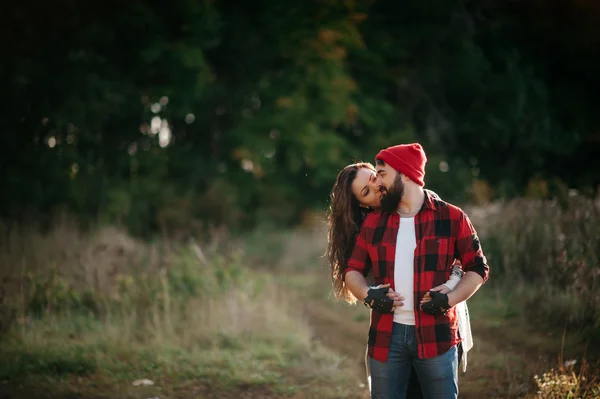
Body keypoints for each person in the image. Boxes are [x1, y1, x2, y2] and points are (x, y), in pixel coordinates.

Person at [344, 144, 489, 399]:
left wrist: (450, 299)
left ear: (405, 173)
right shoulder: (374, 224)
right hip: (387, 336)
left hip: (437, 333)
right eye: (371, 184)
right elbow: (352, 270)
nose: (378, 183)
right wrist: (367, 295)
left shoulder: (451, 217)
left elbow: (477, 267)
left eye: (381, 174)